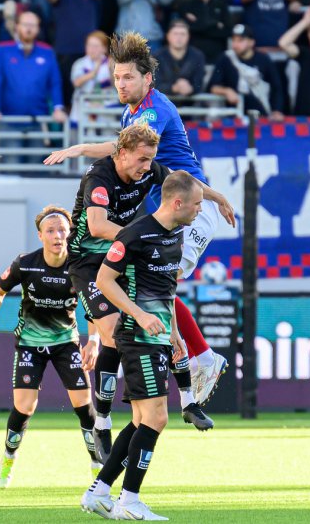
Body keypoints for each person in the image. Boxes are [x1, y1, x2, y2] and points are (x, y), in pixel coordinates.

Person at [45, 32, 236, 443]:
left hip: (186, 213)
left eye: (128, 77)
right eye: (116, 78)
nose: (121, 85)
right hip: (172, 212)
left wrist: (78, 148)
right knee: (146, 287)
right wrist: (220, 196)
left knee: (155, 285)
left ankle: (199, 358)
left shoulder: (151, 112)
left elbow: (122, 149)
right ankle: (185, 364)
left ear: (148, 79)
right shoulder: (135, 111)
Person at [57, 124, 231, 461]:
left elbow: (184, 184)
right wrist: (143, 236)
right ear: (120, 154)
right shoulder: (100, 177)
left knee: (160, 305)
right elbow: (97, 227)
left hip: (124, 250)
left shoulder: (149, 169)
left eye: (150, 160)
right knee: (111, 333)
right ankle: (103, 423)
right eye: (141, 160)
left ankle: (181, 402)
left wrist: (219, 198)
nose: (146, 166)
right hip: (89, 262)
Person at [80, 170, 199, 520]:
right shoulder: (135, 233)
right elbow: (104, 280)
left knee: (139, 420)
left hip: (159, 337)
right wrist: (139, 315)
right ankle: (128, 501)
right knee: (157, 417)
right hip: (136, 337)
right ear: (177, 202)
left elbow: (167, 292)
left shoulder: (176, 235)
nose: (198, 210)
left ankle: (99, 492)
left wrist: (175, 332)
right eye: (196, 204)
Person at [0, 205, 102, 488]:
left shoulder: (78, 267)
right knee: (25, 406)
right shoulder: (25, 263)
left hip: (66, 342)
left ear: (70, 234)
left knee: (83, 403)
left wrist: (93, 340)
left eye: (62, 230)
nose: (58, 236)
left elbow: (92, 307)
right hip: (30, 343)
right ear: (40, 235)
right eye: (51, 231)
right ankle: (9, 456)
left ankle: (98, 465)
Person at [0, 10, 67, 164]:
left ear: (38, 29)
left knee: (34, 168)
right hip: (9, 120)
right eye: (25, 24)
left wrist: (58, 107)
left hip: (38, 120)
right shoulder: (3, 49)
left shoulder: (47, 51)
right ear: (17, 26)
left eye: (33, 25)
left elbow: (54, 82)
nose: (29, 28)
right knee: (11, 167)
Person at [208, 23, 284, 119]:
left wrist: (277, 110)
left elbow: (276, 87)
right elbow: (212, 87)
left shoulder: (263, 59)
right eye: (233, 40)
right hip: (234, 117)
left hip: (261, 115)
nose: (235, 44)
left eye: (240, 40)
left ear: (252, 42)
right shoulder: (225, 59)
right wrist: (226, 91)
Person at [153, 19, 206, 98]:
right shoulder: (156, 56)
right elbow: (154, 85)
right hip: (164, 105)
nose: (179, 38)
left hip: (191, 104)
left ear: (188, 36)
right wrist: (174, 88)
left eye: (183, 34)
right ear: (168, 36)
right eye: (175, 34)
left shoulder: (197, 56)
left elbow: (199, 83)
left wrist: (190, 89)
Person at [69, 30, 113, 124]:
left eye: (96, 46)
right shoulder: (80, 63)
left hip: (106, 108)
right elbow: (76, 82)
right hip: (83, 108)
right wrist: (93, 73)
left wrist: (111, 69)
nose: (92, 49)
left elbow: (117, 86)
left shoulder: (111, 63)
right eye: (89, 45)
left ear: (104, 48)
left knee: (106, 137)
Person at [178, 0, 232, 64]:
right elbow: (187, 30)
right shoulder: (185, 6)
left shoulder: (221, 5)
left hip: (217, 57)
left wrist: (198, 25)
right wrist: (215, 24)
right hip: (193, 59)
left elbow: (228, 31)